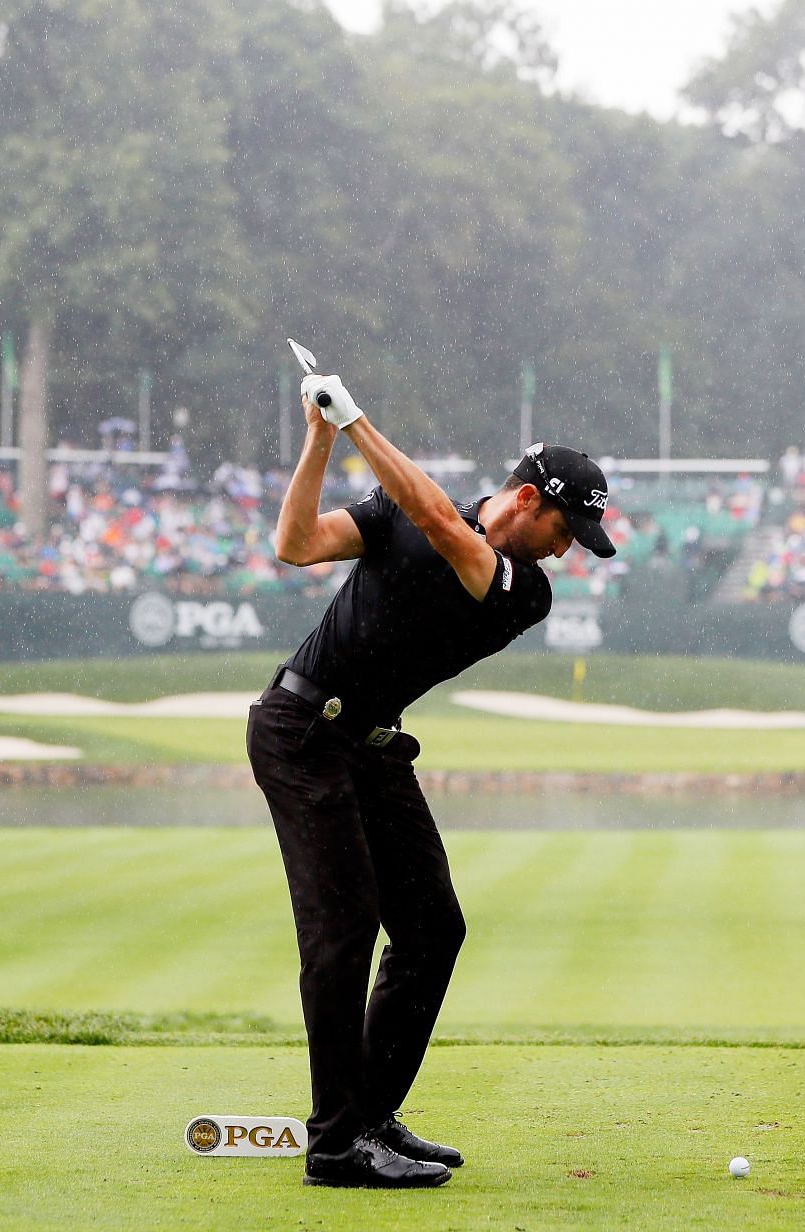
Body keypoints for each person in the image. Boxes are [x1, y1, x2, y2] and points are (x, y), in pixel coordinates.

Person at [249, 370, 614, 1189]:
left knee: (431, 928)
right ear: (527, 498)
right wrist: (319, 438)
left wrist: (356, 425)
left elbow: (443, 525)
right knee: (342, 930)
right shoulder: (396, 512)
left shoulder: (525, 591)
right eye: (566, 528)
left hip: (373, 746)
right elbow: (297, 543)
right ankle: (337, 1145)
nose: (567, 550)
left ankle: (371, 1115)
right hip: (302, 731)